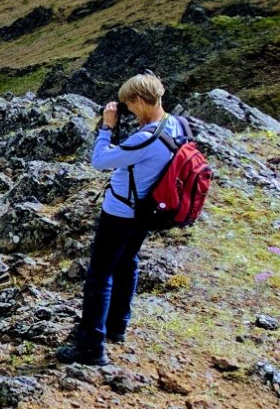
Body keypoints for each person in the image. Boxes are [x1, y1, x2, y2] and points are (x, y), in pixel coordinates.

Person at [56, 72, 187, 367]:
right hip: (146, 211)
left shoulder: (147, 138)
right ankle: (117, 326)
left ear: (141, 100)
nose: (127, 110)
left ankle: (91, 346)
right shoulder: (176, 125)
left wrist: (107, 127)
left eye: (130, 104)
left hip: (120, 214)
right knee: (128, 263)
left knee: (100, 275)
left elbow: (100, 161)